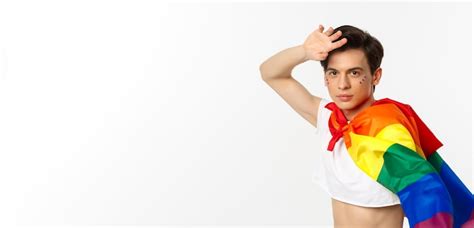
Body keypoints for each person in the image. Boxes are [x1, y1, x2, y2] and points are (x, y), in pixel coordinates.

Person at [259, 24, 474, 228]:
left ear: (375, 76)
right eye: (334, 73)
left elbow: (426, 191)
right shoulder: (329, 119)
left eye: (354, 73)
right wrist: (305, 52)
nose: (342, 84)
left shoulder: (389, 129)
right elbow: (271, 73)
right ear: (325, 78)